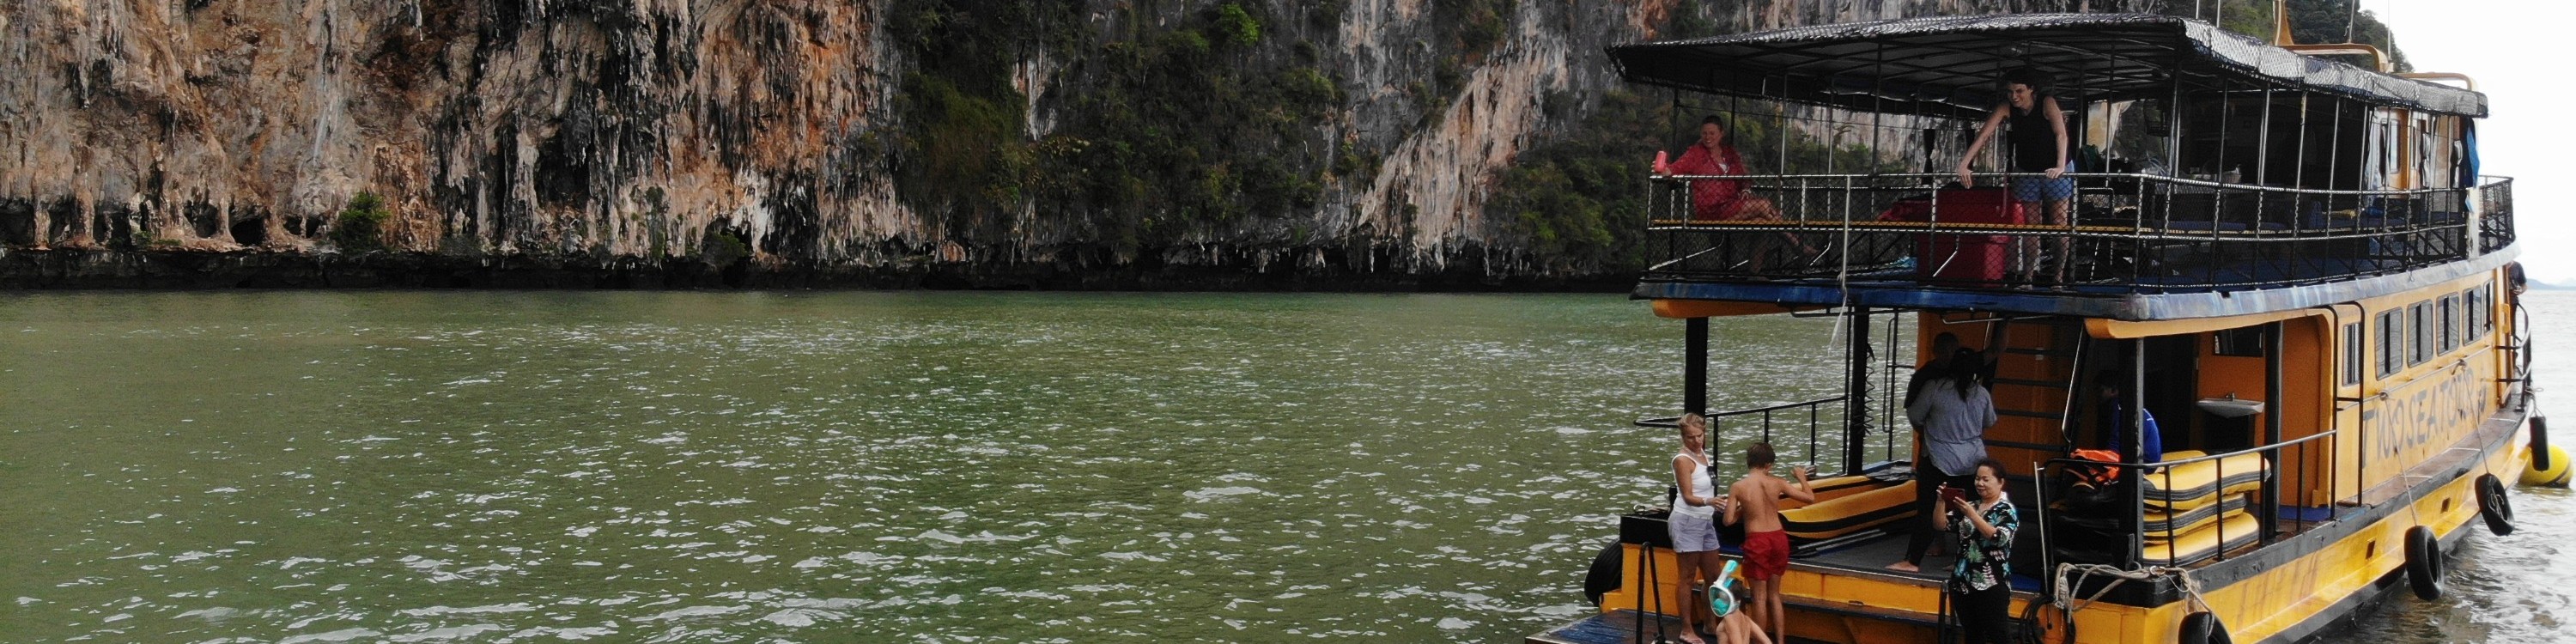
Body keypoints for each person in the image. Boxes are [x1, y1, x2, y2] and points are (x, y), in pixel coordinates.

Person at [1955, 68, 2073, 285]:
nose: (2014, 96)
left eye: (2020, 91)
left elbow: (2061, 134)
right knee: (2031, 225)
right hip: (2027, 168)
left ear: (2031, 90)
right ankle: (2028, 276)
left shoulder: (2046, 102)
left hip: (2055, 168)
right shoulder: (2006, 107)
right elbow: (1984, 135)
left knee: (2059, 222)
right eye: (2010, 92)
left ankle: (2058, 277)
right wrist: (1964, 164)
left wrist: (2059, 166)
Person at [1890, 347, 1998, 573]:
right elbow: (1989, 421)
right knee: (1970, 511)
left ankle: (1912, 562)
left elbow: (1915, 415)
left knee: (1927, 511)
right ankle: (1965, 560)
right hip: (1972, 461)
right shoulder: (1981, 393)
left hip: (1939, 459)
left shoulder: (1935, 388)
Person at [1661, 116, 1803, 270]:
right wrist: (1663, 169)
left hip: (1733, 204)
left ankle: (1754, 273)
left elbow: (1744, 178)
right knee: (1764, 205)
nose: (1708, 137)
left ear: (1721, 134)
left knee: (1764, 223)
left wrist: (1746, 189)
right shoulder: (1696, 154)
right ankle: (1797, 244)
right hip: (1712, 210)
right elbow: (1674, 169)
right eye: (1704, 134)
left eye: (1712, 133)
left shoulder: (1729, 154)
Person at [1716, 441, 1813, 641]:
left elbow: (1727, 520)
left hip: (1757, 540)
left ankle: (1759, 641)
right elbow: (1809, 498)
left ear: (1748, 462)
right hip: (1778, 537)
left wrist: (1745, 510)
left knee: (1759, 597)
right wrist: (1802, 478)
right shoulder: (1777, 482)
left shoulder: (1739, 486)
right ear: (1769, 465)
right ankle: (1779, 640)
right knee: (1774, 595)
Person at [1932, 457, 2020, 644]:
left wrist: (1972, 516)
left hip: (1991, 583)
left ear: (2000, 482)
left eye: (1986, 479)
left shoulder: (2006, 510)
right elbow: (1941, 525)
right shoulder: (1969, 505)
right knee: (1972, 635)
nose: (1980, 483)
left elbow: (1998, 538)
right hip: (1963, 581)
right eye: (1977, 479)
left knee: (1999, 635)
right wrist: (1941, 501)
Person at [1668, 413, 1728, 644]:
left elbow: (1707, 488)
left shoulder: (1704, 454)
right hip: (1686, 521)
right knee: (1687, 577)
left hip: (1705, 521)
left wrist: (1719, 501)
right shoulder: (1682, 460)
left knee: (1713, 575)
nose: (1696, 441)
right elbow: (1688, 496)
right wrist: (1709, 502)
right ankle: (1686, 629)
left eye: (1699, 436)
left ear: (1705, 433)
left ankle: (1710, 623)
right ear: (1683, 437)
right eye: (1691, 438)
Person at [2097, 372, 2164, 464]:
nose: (2097, 395)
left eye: (2100, 390)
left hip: (2142, 462)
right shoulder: (2129, 404)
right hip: (2151, 459)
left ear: (2113, 390)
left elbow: (2115, 442)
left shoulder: (2116, 405)